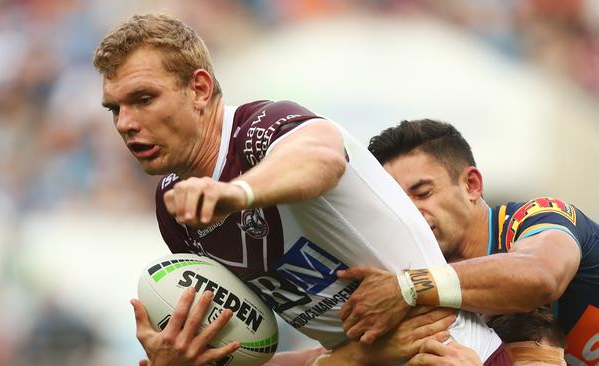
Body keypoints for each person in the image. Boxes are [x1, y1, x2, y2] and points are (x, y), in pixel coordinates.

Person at [92, 13, 508, 365]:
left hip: (462, 355)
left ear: (199, 89)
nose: (125, 123)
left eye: (143, 99)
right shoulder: (176, 215)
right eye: (115, 108)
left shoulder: (263, 129)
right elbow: (275, 351)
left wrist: (236, 194)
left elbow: (323, 158)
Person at [340, 119, 599, 364]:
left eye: (423, 193)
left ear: (471, 185)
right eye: (397, 205)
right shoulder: (419, 280)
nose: (411, 215)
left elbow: (541, 275)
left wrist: (409, 286)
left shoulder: (534, 219)